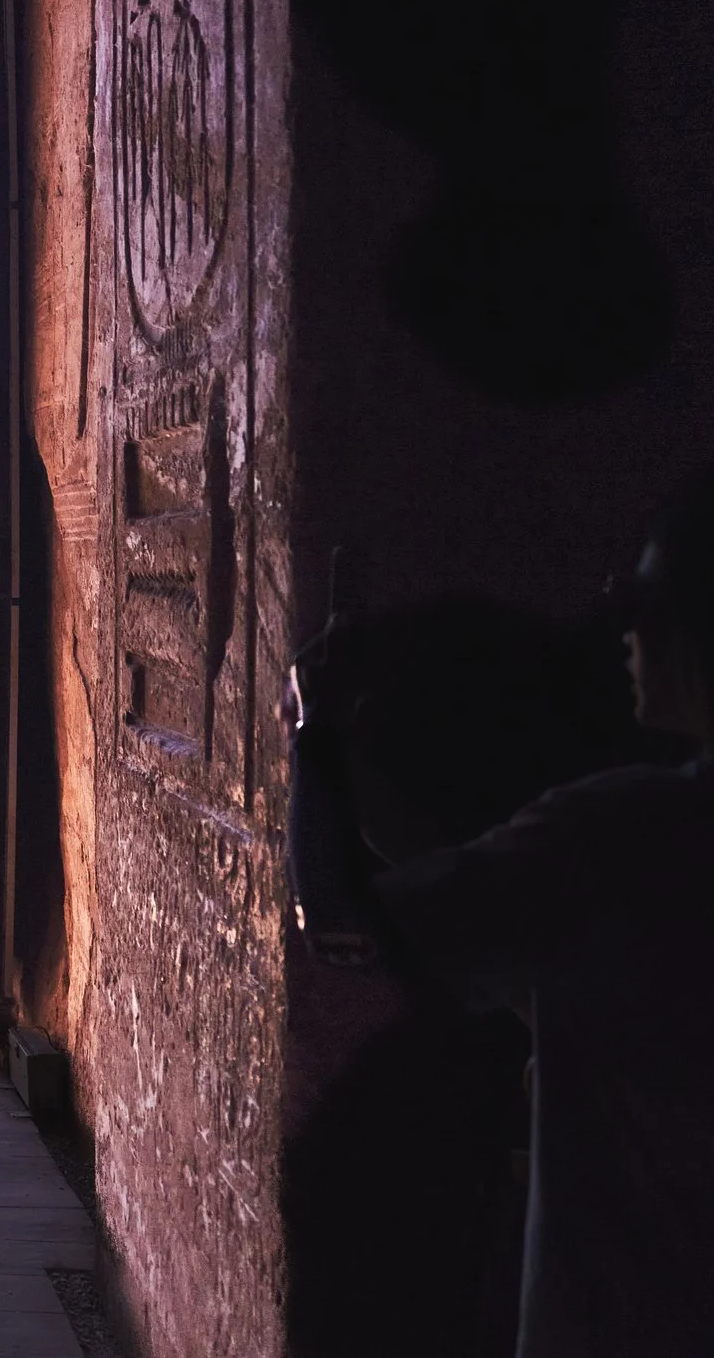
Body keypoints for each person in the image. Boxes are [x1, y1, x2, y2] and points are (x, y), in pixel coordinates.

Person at [315, 469, 714, 1356]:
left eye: (643, 598)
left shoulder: (625, 834)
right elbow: (477, 904)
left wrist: (317, 742)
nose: (624, 625)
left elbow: (345, 921)